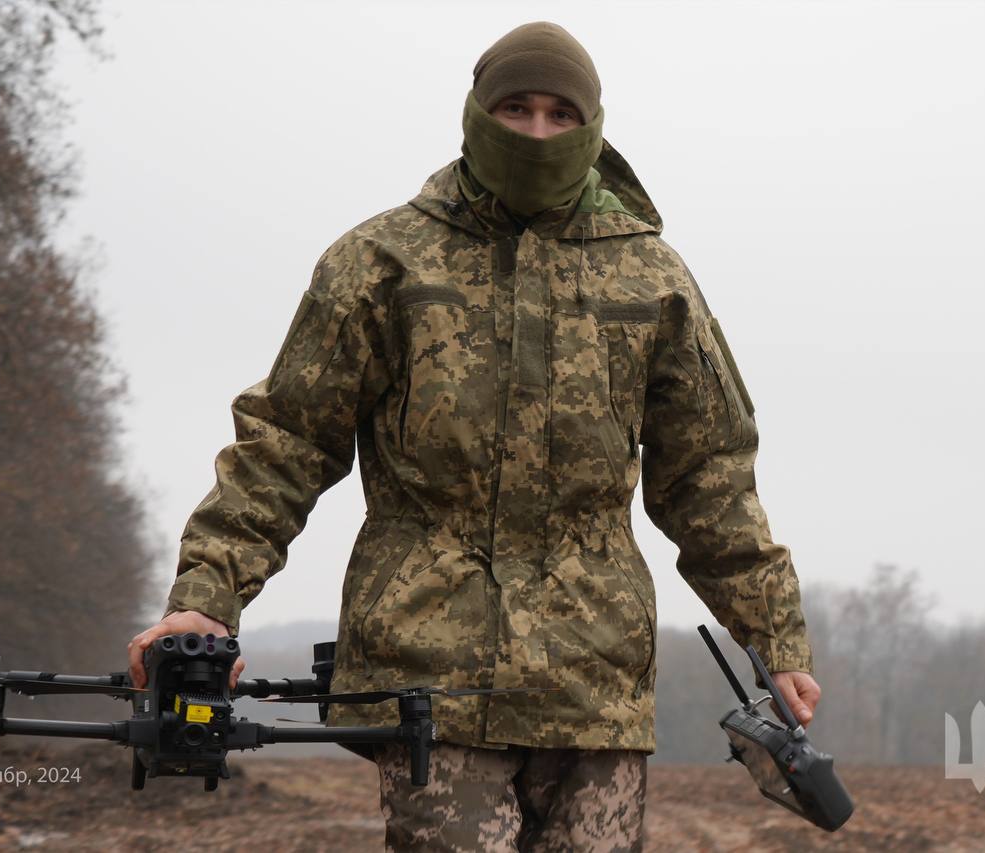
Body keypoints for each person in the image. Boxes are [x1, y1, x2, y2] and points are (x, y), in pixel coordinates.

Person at [127, 21, 821, 852]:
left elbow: (709, 480)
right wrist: (206, 597)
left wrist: (775, 638)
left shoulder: (653, 279)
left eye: (560, 114)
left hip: (593, 683)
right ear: (477, 114)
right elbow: (285, 444)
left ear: (592, 125)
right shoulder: (384, 262)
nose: (537, 132)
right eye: (515, 108)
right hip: (429, 677)